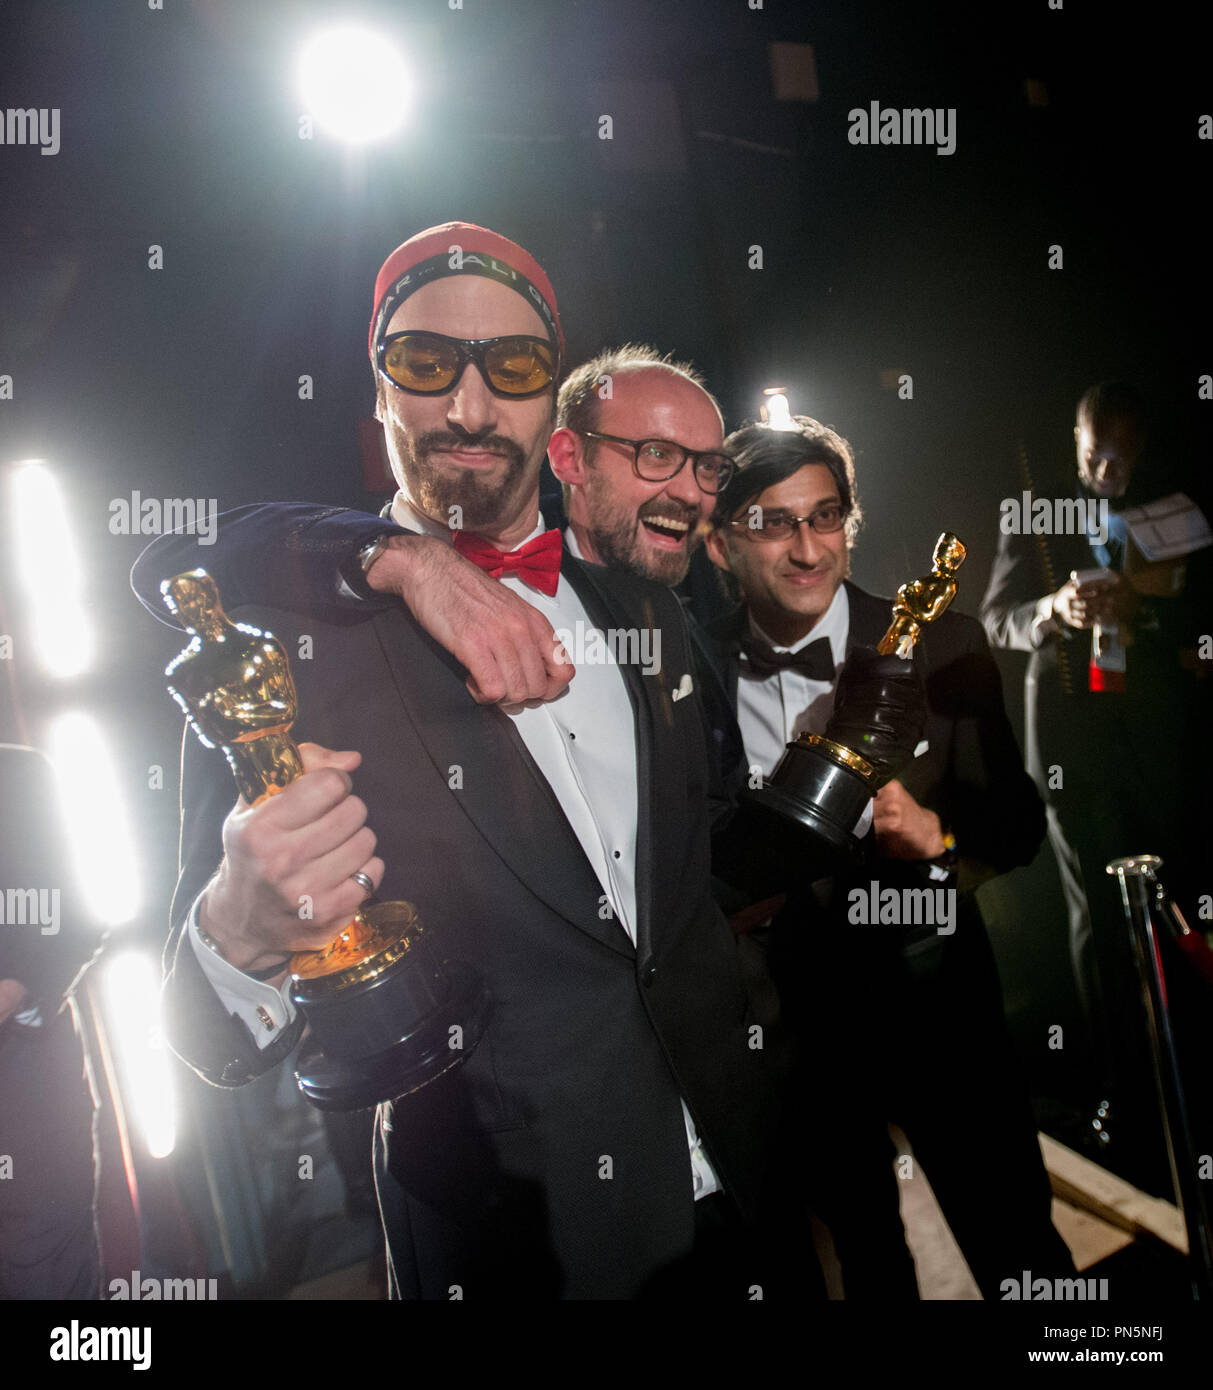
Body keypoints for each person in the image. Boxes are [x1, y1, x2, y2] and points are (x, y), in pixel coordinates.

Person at [142, 222, 799, 1300]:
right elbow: (207, 1031)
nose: (468, 406)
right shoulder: (290, 655)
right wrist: (237, 932)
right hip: (515, 1241)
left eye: (515, 367)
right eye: (424, 362)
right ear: (378, 394)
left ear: (555, 403)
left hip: (742, 1170)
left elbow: (697, 857)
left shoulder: (640, 605)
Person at [702, 416, 1076, 1300]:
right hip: (797, 1040)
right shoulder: (691, 670)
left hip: (939, 1009)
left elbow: (1014, 826)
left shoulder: (942, 642)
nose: (806, 548)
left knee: (1024, 1255)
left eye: (824, 517)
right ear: (720, 545)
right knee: (867, 1269)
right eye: (772, 522)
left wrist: (937, 839)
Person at [979, 382, 1211, 1187]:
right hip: (1071, 736)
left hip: (1153, 732)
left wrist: (1143, 607)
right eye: (1091, 451)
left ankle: (1190, 1077)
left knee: (1177, 887)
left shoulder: (1180, 511)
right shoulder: (1036, 514)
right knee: (1096, 915)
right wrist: (1057, 605)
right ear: (1074, 438)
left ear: (1140, 447)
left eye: (1120, 454)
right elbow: (996, 616)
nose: (1105, 468)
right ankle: (1124, 1098)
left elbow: (1200, 621)